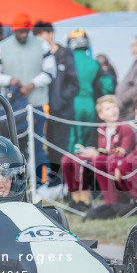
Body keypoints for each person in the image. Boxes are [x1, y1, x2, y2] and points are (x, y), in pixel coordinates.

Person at [0, 13, 57, 186]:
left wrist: (32, 84)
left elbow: (50, 72)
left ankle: (40, 183)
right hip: (11, 107)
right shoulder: (1, 47)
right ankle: (14, 183)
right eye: (20, 32)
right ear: (14, 31)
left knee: (37, 145)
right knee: (12, 147)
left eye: (25, 31)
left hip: (37, 103)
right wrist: (10, 81)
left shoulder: (42, 45)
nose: (23, 34)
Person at [62, 95, 136, 211]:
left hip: (116, 165)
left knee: (83, 161)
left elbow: (124, 154)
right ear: (101, 115)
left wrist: (97, 154)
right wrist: (91, 152)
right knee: (67, 159)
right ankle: (75, 197)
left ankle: (85, 199)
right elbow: (102, 149)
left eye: (114, 107)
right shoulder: (101, 128)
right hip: (101, 160)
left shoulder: (125, 128)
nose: (113, 110)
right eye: (108, 108)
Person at [32, 21, 79, 187]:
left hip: (62, 111)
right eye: (36, 36)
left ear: (50, 34)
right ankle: (52, 181)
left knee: (60, 147)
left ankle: (63, 183)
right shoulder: (39, 55)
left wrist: (60, 100)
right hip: (44, 110)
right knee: (48, 146)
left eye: (41, 35)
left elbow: (74, 84)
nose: (39, 39)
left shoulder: (65, 54)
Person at [65, 29, 102, 152]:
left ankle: (71, 168)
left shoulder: (68, 61)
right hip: (90, 103)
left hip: (74, 103)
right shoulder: (94, 62)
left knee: (73, 137)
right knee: (87, 140)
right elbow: (107, 85)